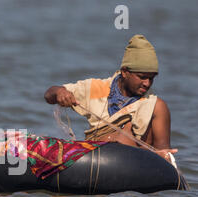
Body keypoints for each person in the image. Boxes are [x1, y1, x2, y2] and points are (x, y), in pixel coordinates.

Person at [44, 34, 177, 161]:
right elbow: (49, 94)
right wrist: (60, 92)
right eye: (142, 77)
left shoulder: (156, 107)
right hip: (95, 163)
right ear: (125, 72)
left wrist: (159, 156)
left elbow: (165, 155)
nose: (147, 83)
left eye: (151, 78)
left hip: (135, 167)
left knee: (127, 131)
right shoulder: (96, 88)